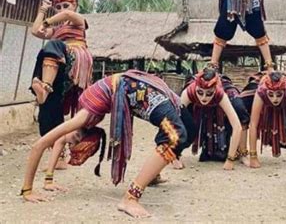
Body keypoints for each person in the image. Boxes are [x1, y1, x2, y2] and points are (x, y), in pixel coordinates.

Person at [20, 70, 191, 219]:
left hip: (134, 86)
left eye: (70, 142)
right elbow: (60, 141)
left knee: (185, 131)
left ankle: (151, 177)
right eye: (71, 143)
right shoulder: (85, 120)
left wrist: (27, 190)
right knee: (175, 135)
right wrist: (48, 180)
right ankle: (130, 198)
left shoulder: (83, 118)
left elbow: (40, 145)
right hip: (134, 86)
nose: (66, 141)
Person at [30, 0, 93, 136]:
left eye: (66, 5)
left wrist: (46, 22)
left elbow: (67, 15)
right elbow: (34, 31)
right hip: (60, 60)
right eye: (58, 7)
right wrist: (42, 10)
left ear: (74, 6)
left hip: (76, 55)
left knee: (53, 45)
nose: (62, 9)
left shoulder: (79, 21)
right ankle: (46, 90)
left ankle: (45, 86)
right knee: (48, 108)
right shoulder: (57, 29)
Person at [181, 68, 246, 169]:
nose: (204, 98)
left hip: (224, 89)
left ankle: (243, 152)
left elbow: (237, 127)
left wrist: (230, 160)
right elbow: (174, 122)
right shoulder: (188, 93)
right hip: (193, 101)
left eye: (209, 93)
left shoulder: (220, 94)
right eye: (200, 92)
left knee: (240, 109)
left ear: (215, 90)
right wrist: (173, 156)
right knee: (186, 125)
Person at [245, 72, 286, 168]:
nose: (275, 99)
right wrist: (253, 157)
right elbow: (253, 124)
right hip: (265, 106)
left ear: (284, 91)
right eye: (271, 95)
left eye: (279, 94)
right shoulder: (261, 91)